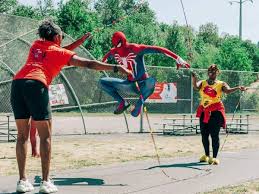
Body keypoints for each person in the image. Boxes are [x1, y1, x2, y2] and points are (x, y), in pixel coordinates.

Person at [11, 20, 131, 193]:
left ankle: (22, 181)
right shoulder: (57, 51)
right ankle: (45, 183)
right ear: (58, 37)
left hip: (18, 83)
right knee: (46, 137)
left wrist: (79, 42)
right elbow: (89, 63)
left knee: (22, 136)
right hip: (36, 84)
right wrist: (115, 67)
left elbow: (60, 50)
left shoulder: (36, 45)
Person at [29, 32, 91, 158]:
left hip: (29, 84)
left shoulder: (40, 46)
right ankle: (35, 150)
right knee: (37, 122)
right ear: (56, 37)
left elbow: (68, 49)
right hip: (37, 84)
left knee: (33, 122)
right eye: (61, 37)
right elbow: (68, 50)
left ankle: (34, 149)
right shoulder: (47, 48)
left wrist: (81, 39)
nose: (61, 40)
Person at [99, 31, 190, 117]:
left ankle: (139, 103)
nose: (119, 48)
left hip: (143, 83)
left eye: (119, 45)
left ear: (123, 41)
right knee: (102, 82)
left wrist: (177, 58)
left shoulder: (135, 49)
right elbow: (105, 58)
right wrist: (101, 64)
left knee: (151, 81)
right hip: (130, 84)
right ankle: (123, 102)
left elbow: (158, 49)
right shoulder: (114, 51)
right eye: (116, 46)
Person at [192, 64, 246, 165]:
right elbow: (196, 86)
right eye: (210, 71)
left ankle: (215, 157)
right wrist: (194, 79)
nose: (212, 72)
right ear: (208, 72)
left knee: (214, 135)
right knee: (204, 135)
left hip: (215, 112)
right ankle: (207, 155)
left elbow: (228, 91)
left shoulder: (221, 84)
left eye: (214, 71)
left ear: (217, 72)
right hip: (204, 111)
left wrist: (238, 87)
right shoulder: (203, 82)